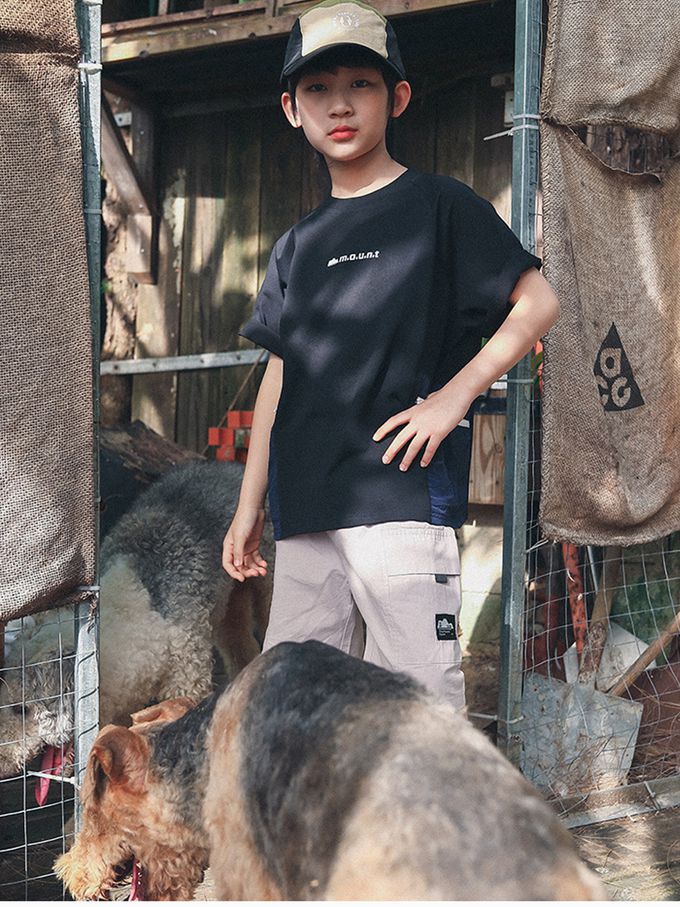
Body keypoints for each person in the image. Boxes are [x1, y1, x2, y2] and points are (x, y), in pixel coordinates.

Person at [222, 0, 559, 710]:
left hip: (401, 500)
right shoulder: (296, 246)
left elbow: (538, 303)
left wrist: (453, 398)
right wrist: (250, 507)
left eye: (361, 84)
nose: (339, 104)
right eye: (317, 88)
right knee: (290, 715)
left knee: (417, 710)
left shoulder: (441, 207)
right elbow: (280, 374)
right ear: (291, 109)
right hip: (306, 510)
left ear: (397, 97)